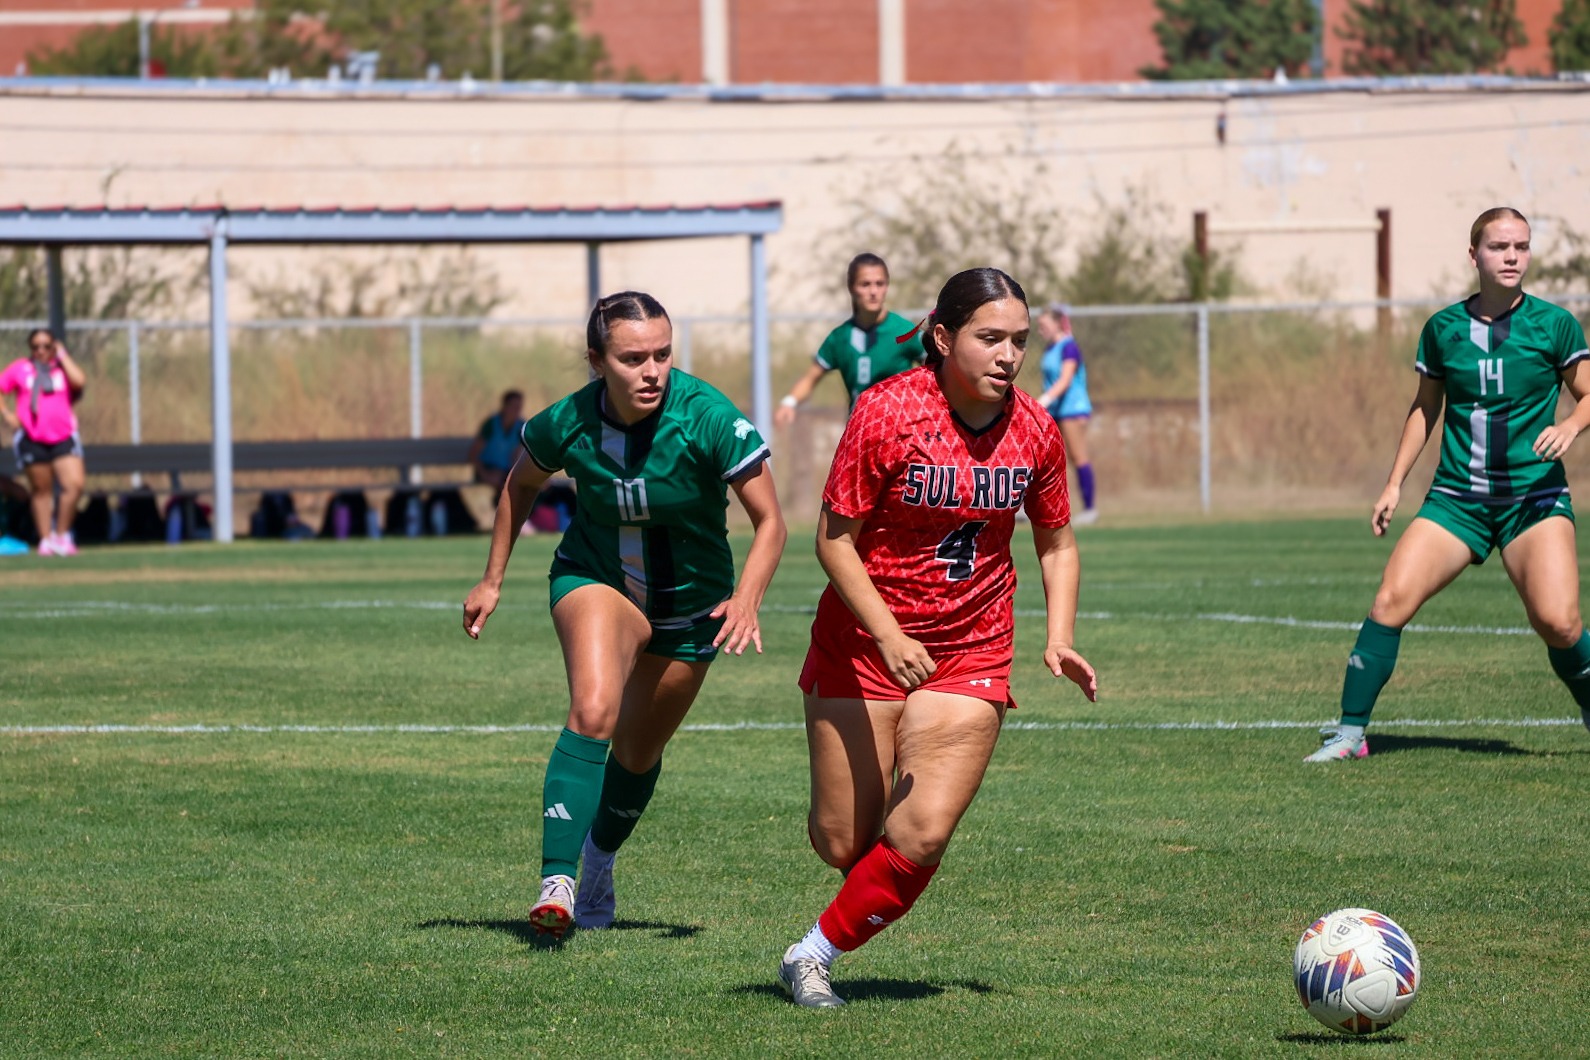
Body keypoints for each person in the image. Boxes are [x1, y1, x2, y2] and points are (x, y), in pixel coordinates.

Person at [776, 268, 1098, 1007]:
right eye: (990, 338)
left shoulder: (1035, 429)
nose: (1009, 355)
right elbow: (833, 541)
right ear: (944, 337)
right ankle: (862, 845)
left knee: (919, 835)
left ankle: (812, 954)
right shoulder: (887, 412)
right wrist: (886, 634)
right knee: (843, 844)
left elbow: (1057, 541)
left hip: (971, 645)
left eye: (1019, 341)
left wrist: (1060, 634)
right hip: (863, 645)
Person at [462, 291, 787, 940]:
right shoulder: (570, 422)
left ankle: (599, 860)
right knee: (594, 710)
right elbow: (520, 483)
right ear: (597, 361)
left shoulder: (706, 416)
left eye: (663, 354)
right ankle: (557, 881)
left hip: (691, 605)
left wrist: (748, 596)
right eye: (633, 357)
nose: (652, 370)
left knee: (637, 756)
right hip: (597, 576)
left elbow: (770, 520)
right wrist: (491, 578)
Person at [1307, 207, 1590, 763]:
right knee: (1390, 601)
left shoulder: (1555, 325)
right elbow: (1424, 409)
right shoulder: (1443, 329)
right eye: (1499, 246)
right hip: (1457, 499)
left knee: (1559, 621)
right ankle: (1349, 734)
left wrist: (1571, 425)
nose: (1512, 256)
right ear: (1474, 255)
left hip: (1532, 500)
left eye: (1521, 247)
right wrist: (1394, 484)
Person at [774, 253, 921, 427]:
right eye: (865, 284)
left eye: (879, 284)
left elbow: (938, 373)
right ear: (852, 287)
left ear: (886, 286)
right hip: (858, 430)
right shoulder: (840, 337)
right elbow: (811, 377)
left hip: (900, 430)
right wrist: (789, 402)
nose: (873, 291)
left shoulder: (904, 331)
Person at [0, 329, 87, 556]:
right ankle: (46, 539)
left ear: (54, 346)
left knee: (74, 485)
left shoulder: (62, 369)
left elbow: (80, 381)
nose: (41, 351)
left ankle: (61, 534)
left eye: (46, 346)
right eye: (36, 346)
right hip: (32, 438)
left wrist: (63, 356)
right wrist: (7, 415)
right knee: (41, 490)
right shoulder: (20, 368)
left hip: (63, 437)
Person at [1036, 303, 1097, 524]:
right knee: (1047, 459)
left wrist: (1045, 400)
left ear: (1056, 324)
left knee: (1078, 456)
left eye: (1044, 325)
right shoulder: (1049, 348)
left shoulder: (1069, 347)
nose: (1040, 329)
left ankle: (1090, 509)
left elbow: (1065, 379)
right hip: (1055, 411)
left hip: (1072, 409)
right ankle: (1038, 506)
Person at [468, 389, 526, 496]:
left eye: (519, 407)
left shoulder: (521, 427)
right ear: (505, 406)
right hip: (486, 469)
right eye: (514, 406)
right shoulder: (491, 425)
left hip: (505, 472)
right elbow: (473, 454)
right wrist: (484, 474)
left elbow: (517, 456)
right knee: (503, 481)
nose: (517, 410)